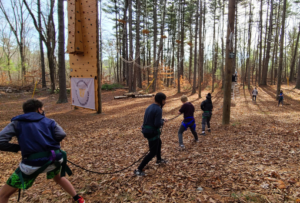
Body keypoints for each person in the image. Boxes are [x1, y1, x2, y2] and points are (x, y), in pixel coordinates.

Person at [0, 99, 85, 203]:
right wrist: (49, 143)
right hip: (55, 159)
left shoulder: (17, 123)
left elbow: (1, 141)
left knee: (2, 195)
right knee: (58, 178)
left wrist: (19, 148)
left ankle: (77, 198)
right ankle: (78, 199)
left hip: (32, 164)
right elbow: (61, 134)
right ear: (39, 109)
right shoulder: (50, 121)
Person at [134, 93, 168, 177]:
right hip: (151, 132)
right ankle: (139, 169)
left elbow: (152, 119)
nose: (165, 101)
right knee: (152, 152)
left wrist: (162, 119)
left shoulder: (150, 107)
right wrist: (162, 122)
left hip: (147, 130)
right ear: (161, 100)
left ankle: (159, 159)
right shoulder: (159, 109)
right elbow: (156, 124)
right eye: (164, 100)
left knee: (159, 142)